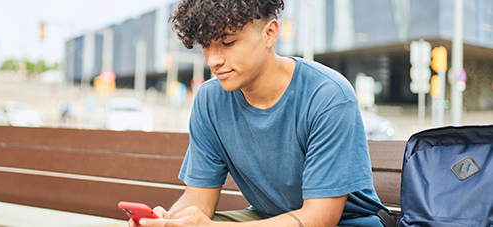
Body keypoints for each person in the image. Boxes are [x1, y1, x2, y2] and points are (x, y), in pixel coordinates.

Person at [130, 0, 389, 226]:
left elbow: (321, 218)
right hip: (268, 220)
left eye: (228, 42)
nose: (213, 60)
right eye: (206, 46)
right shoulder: (210, 100)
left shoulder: (327, 94)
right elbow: (199, 196)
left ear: (270, 33)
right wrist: (168, 221)